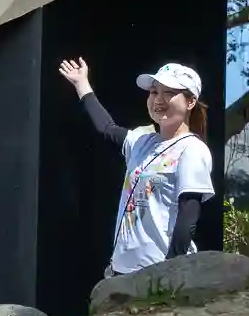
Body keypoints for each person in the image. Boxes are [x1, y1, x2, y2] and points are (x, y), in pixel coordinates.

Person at [58, 57, 215, 278]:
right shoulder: (142, 143)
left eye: (169, 92)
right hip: (122, 272)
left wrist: (170, 270)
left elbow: (188, 215)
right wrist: (81, 84)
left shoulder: (192, 149)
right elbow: (107, 128)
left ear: (190, 102)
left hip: (158, 271)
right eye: (153, 92)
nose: (158, 99)